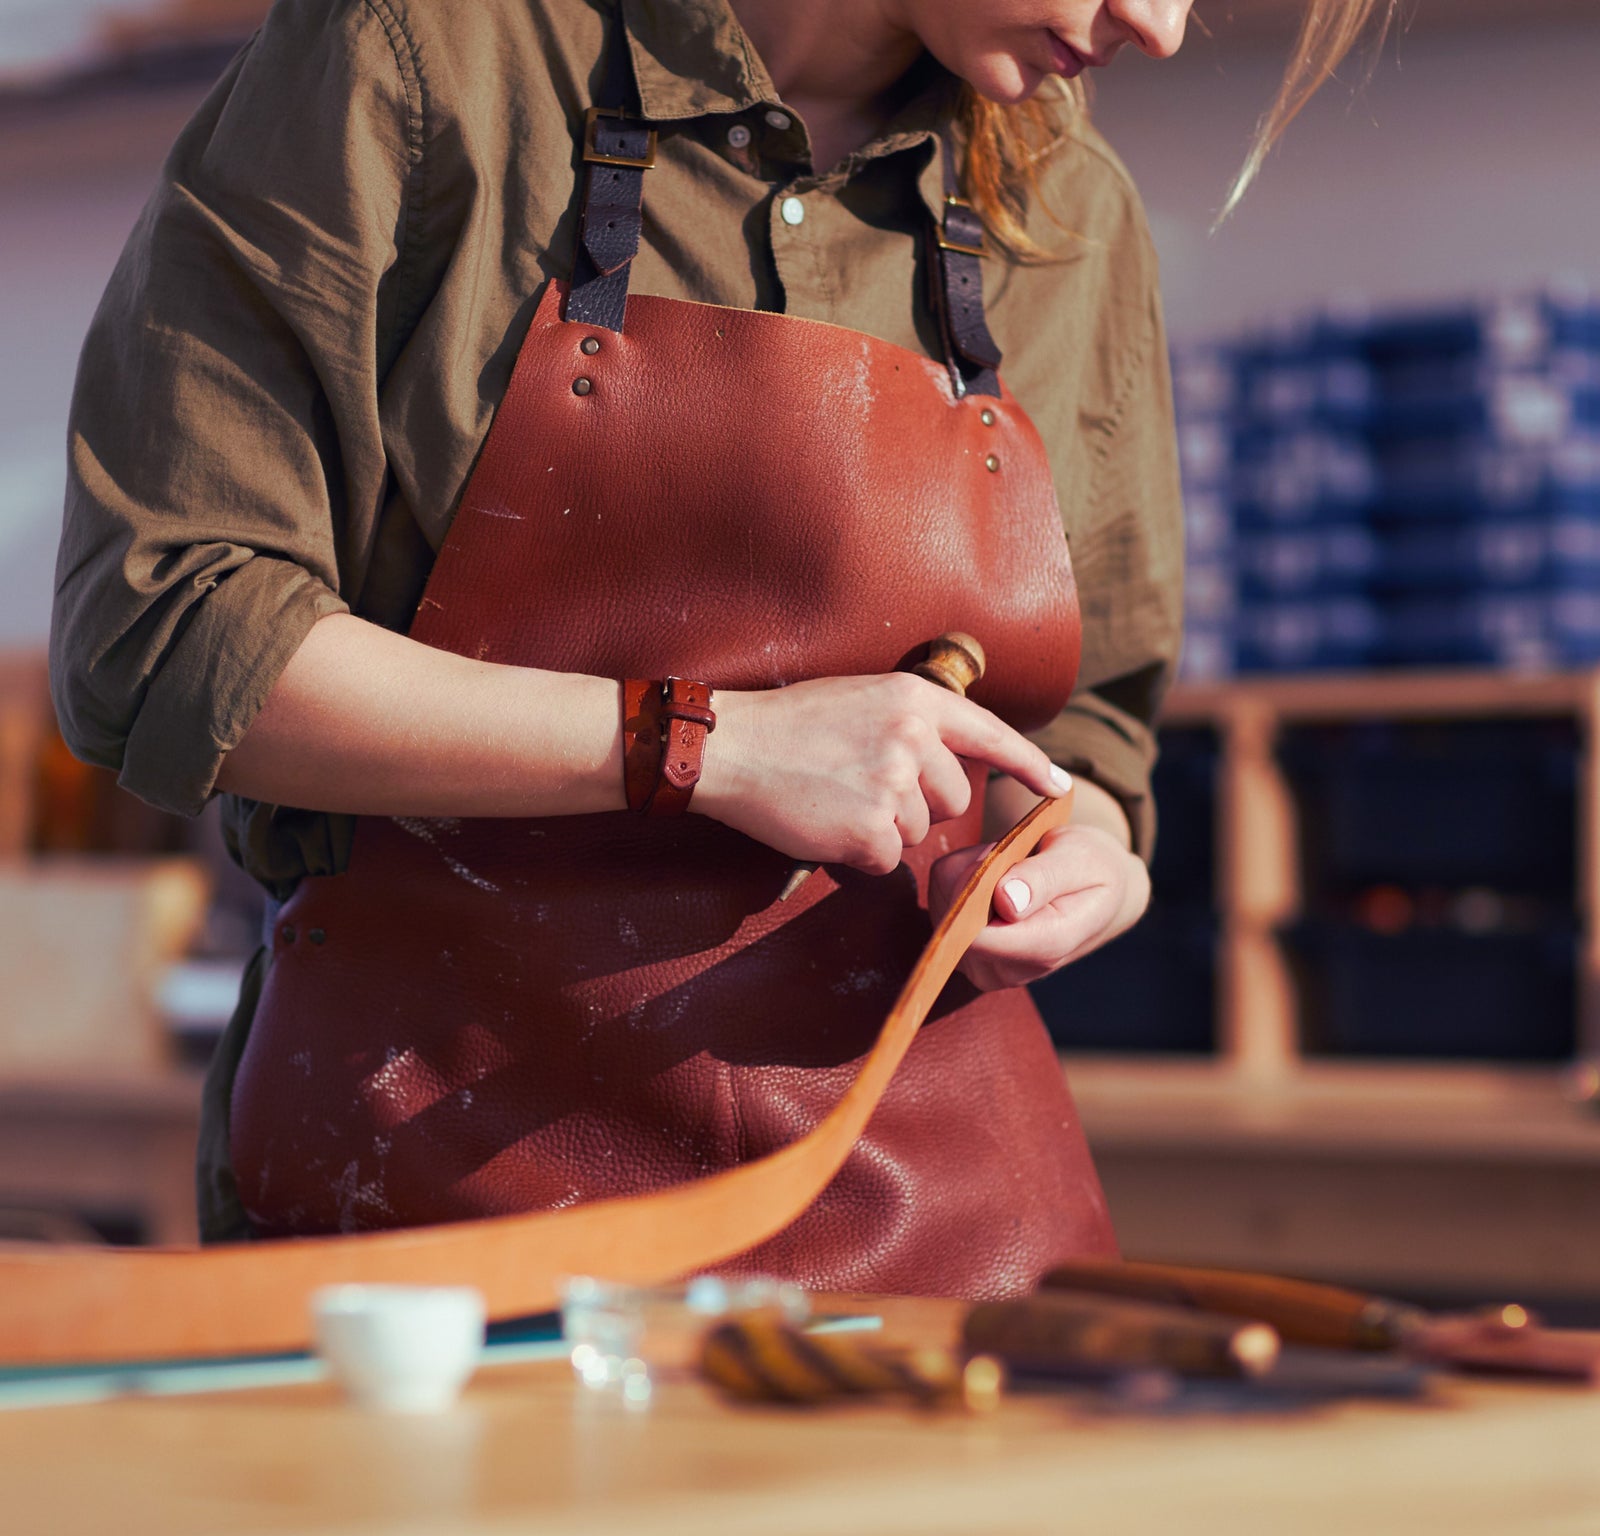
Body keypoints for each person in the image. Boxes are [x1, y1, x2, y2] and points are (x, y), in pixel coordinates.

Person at [51, 0, 1389, 1291]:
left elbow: (1084, 733)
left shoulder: (1073, 208)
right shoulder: (428, 53)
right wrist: (707, 746)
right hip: (450, 1227)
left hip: (937, 1244)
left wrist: (1091, 847)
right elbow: (171, 631)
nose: (1156, 25)